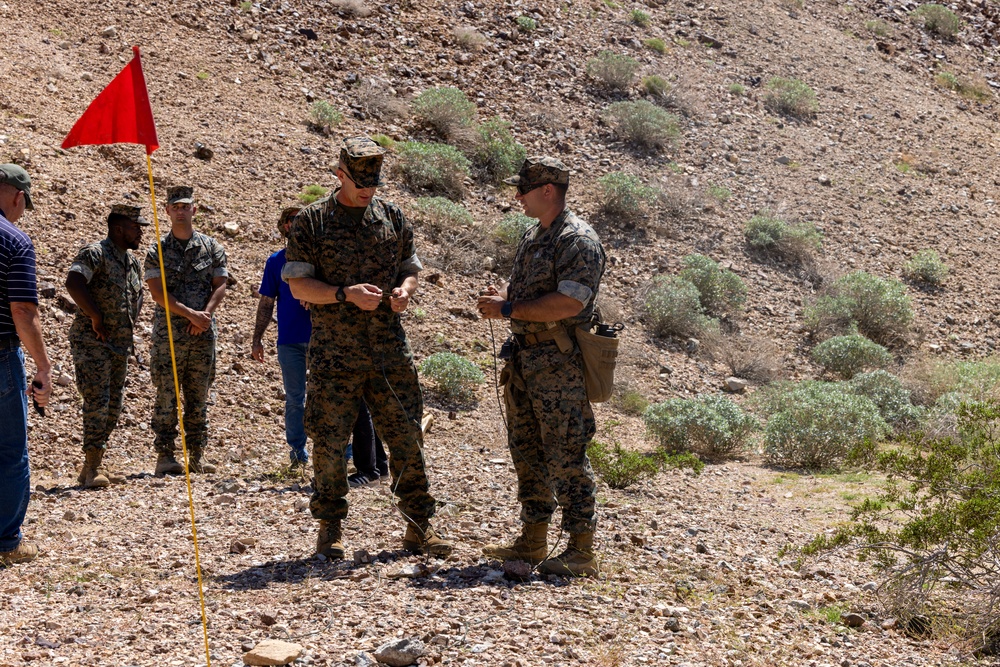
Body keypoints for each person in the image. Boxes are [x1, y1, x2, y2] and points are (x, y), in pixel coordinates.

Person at [282, 137, 452, 559]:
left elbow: (411, 268)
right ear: (340, 174)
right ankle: (329, 530)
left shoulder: (392, 217)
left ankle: (418, 527)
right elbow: (299, 284)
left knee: (407, 436)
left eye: (373, 184)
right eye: (360, 184)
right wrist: (344, 294)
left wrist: (404, 292)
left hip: (388, 350)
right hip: (335, 353)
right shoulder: (312, 222)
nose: (367, 191)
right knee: (328, 439)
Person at [477, 156, 606, 577]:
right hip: (526, 359)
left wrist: (509, 307)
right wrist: (507, 299)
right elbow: (535, 292)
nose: (517, 196)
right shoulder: (536, 235)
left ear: (547, 190)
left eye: (524, 189)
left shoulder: (577, 240)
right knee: (526, 448)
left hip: (559, 364)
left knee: (566, 452)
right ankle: (533, 538)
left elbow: (571, 301)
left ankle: (580, 549)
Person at [251, 206, 387, 478]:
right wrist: (257, 338)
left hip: (325, 339)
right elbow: (267, 302)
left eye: (301, 220)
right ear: (284, 226)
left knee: (336, 397)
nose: (296, 224)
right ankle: (297, 453)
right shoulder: (275, 262)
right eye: (291, 220)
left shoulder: (324, 258)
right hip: (289, 340)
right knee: (295, 399)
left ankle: (347, 452)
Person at [144, 186, 227, 475]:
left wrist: (204, 316)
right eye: (175, 206)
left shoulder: (212, 246)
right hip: (169, 335)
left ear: (194, 210)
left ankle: (198, 455)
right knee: (166, 394)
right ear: (167, 211)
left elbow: (221, 284)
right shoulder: (157, 250)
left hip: (202, 333)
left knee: (198, 395)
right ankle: (165, 455)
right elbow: (157, 294)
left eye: (185, 206)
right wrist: (191, 314)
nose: (180, 210)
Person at [66, 204, 148, 488]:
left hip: (119, 345)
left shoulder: (132, 261)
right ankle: (92, 468)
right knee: (97, 402)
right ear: (118, 229)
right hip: (92, 342)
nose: (140, 232)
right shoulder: (95, 253)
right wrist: (95, 315)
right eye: (136, 227)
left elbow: (137, 296)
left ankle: (94, 462)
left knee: (114, 406)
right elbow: (74, 282)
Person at [0, 164, 51, 566]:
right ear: (16, 196)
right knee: (10, 451)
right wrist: (43, 366)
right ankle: (7, 542)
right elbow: (21, 309)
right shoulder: (14, 240)